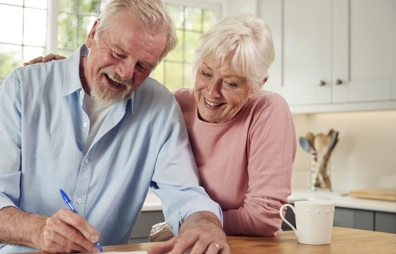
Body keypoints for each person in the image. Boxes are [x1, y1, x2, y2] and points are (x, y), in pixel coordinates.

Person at [0, 0, 230, 254]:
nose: (126, 73)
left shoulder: (160, 107)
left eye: (143, 67)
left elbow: (184, 193)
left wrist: (206, 224)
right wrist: (38, 230)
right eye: (118, 52)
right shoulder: (25, 86)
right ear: (93, 34)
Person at [25, 12, 297, 239]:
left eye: (231, 83)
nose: (212, 92)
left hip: (247, 249)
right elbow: (117, 87)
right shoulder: (177, 103)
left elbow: (263, 217)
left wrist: (188, 222)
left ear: (257, 86)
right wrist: (76, 70)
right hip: (193, 242)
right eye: (205, 73)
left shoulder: (268, 110)